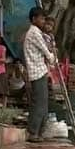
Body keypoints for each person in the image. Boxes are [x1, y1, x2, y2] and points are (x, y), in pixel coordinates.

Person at [24, 7, 55, 142]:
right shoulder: (34, 33)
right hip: (37, 72)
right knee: (39, 104)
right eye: (41, 18)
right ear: (34, 19)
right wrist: (53, 56)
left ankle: (39, 132)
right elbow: (46, 52)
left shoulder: (37, 32)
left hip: (40, 71)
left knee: (43, 103)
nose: (43, 21)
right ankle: (33, 132)